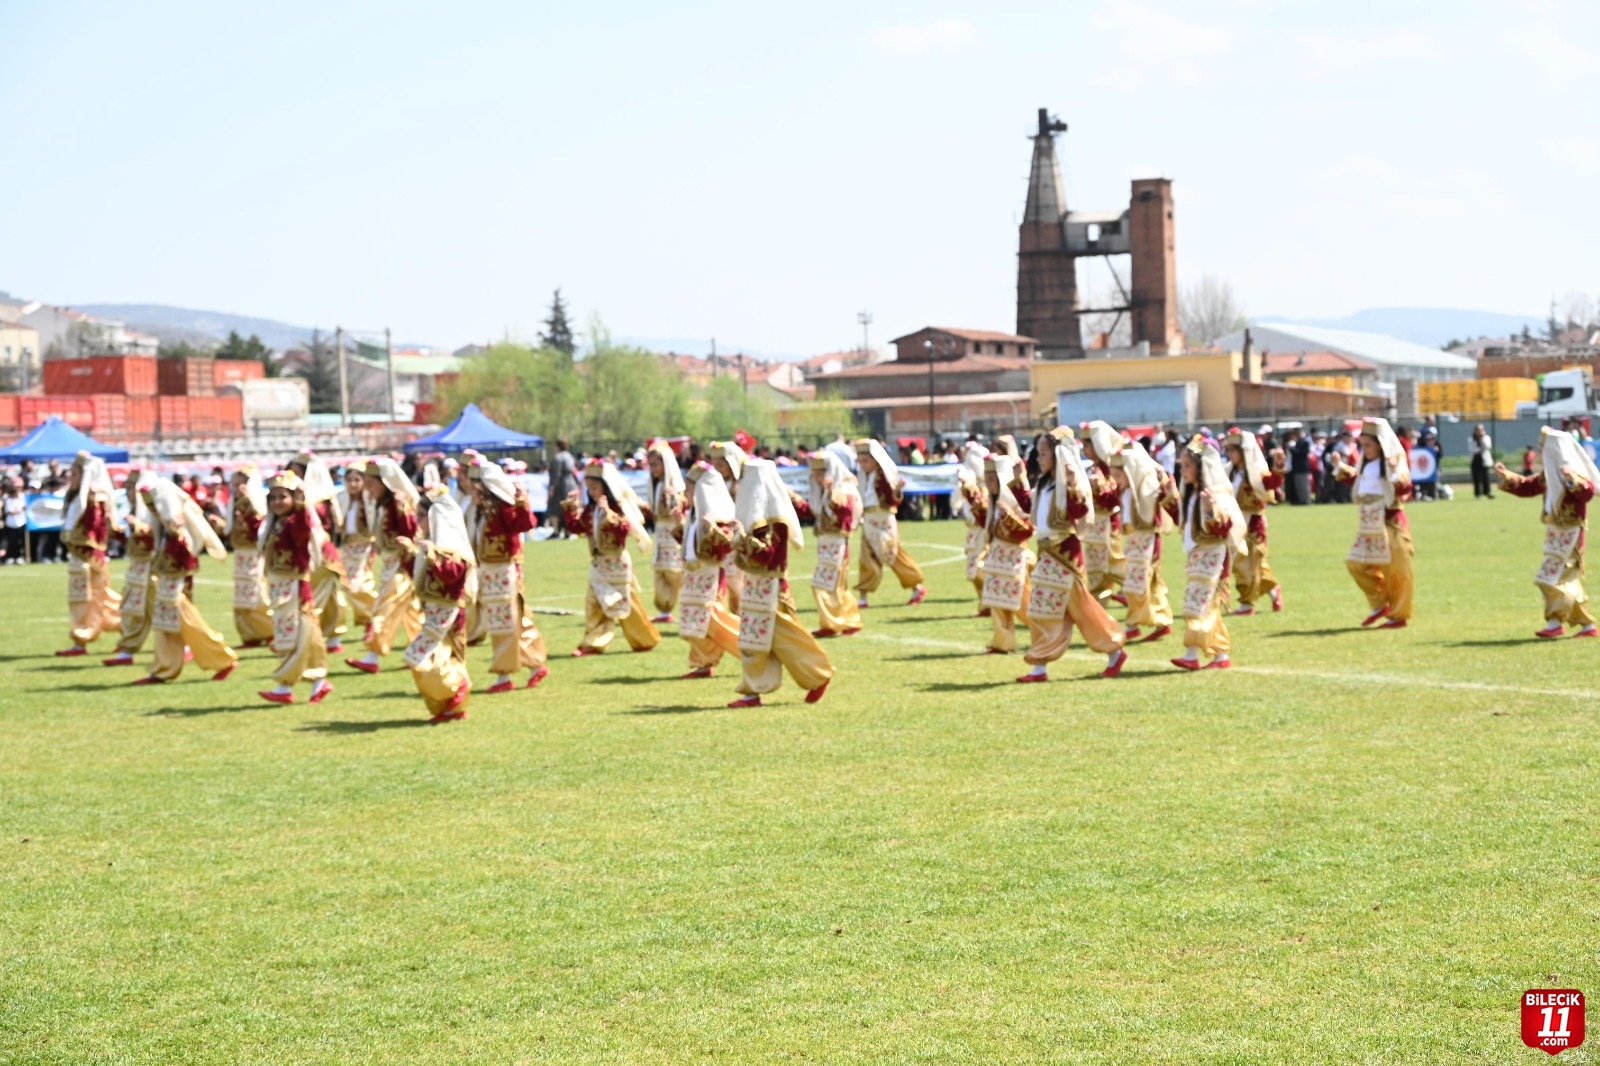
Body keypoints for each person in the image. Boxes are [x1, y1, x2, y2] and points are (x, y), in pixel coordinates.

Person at [1017, 427, 1127, 683]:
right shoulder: (1045, 484)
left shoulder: (1067, 484)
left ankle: (1114, 649)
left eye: (1044, 453)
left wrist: (1074, 484)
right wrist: (1019, 481)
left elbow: (1080, 512)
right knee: (1040, 609)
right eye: (1039, 453)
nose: (1039, 458)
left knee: (1083, 611)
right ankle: (1039, 666)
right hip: (1047, 555)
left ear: (1057, 456)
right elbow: (1029, 509)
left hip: (1065, 556)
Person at [727, 458, 834, 708]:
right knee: (751, 640)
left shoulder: (777, 520)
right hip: (755, 586)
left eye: (746, 481)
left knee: (788, 640)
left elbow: (768, 556)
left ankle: (818, 675)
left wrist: (741, 538)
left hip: (773, 590)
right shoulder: (753, 517)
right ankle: (752, 691)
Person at [1495, 428, 1599, 638]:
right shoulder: (1549, 475)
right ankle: (1581, 624)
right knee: (1564, 579)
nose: (1540, 450)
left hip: (1570, 534)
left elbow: (1587, 492)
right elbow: (1528, 487)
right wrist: (1507, 477)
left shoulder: (1572, 471)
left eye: (1543, 447)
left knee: (1549, 577)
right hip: (1555, 532)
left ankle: (1558, 622)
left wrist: (1572, 480)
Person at [132, 479, 238, 685]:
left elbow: (188, 558)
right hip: (166, 583)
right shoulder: (165, 529)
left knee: (190, 625)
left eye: (155, 506)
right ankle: (163, 668)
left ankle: (222, 658)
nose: (153, 511)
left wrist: (175, 535)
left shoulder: (179, 530)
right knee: (166, 627)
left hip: (177, 586)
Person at [466, 456, 549, 692]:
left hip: (504, 572)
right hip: (488, 574)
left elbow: (524, 524)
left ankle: (506, 675)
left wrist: (522, 501)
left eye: (475, 487)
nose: (471, 491)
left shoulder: (504, 508)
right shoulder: (479, 511)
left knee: (508, 622)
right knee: (503, 623)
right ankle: (531, 665)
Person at [563, 459, 661, 655]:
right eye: (589, 488)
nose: (591, 492)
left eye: (595, 487)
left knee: (627, 604)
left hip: (617, 562)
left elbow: (623, 530)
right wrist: (570, 510)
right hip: (598, 563)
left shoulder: (617, 509)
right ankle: (593, 642)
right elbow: (578, 528)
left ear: (605, 488)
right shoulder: (590, 511)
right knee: (594, 603)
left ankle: (644, 639)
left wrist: (607, 512)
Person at [257, 470, 334, 704]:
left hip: (295, 587)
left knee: (301, 635)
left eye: (283, 496)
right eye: (273, 497)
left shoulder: (294, 521)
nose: (277, 502)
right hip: (280, 587)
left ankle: (286, 685)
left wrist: (301, 507)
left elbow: (303, 532)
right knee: (289, 636)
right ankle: (314, 683)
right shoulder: (276, 523)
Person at [1171, 436, 1247, 670]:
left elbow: (1225, 529)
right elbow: (1184, 524)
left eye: (1187, 466)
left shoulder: (1215, 495)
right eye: (1181, 466)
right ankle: (1220, 656)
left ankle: (1192, 654)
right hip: (1198, 555)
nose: (1182, 471)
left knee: (1199, 606)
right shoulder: (1192, 494)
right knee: (1202, 605)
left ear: (1200, 467)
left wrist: (1210, 511)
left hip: (1214, 557)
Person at [1331, 418, 1414, 629]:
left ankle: (1398, 615)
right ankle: (1380, 602)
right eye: (1363, 445)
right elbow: (1359, 482)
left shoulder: (1393, 463)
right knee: (1356, 563)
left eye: (1368, 445)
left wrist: (1395, 472)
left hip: (1391, 521)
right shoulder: (1366, 464)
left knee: (1396, 570)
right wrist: (1339, 467)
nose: (1364, 450)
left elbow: (1405, 488)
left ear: (1380, 444)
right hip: (1369, 522)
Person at [402, 486, 476, 722]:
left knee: (425, 658)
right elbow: (421, 577)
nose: (418, 520)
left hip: (449, 613)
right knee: (427, 659)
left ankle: (457, 689)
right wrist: (410, 556)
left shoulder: (452, 545)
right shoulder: (431, 542)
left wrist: (433, 555)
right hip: (433, 612)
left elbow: (453, 574)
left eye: (422, 515)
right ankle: (448, 706)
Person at [348, 457, 423, 672]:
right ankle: (421, 652)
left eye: (371, 484)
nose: (368, 489)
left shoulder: (399, 503)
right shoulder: (382, 504)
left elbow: (409, 533)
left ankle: (373, 655)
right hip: (390, 563)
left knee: (385, 607)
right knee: (411, 611)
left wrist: (402, 508)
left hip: (402, 563)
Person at [677, 461, 743, 679]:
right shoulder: (694, 514)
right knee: (696, 623)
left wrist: (712, 529)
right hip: (693, 574)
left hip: (711, 576)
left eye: (689, 489)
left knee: (715, 621)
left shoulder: (719, 515)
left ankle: (749, 646)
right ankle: (702, 662)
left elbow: (727, 546)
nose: (685, 493)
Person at [1108, 440, 1178, 642]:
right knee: (1137, 584)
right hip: (1133, 541)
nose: (1117, 480)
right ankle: (1147, 622)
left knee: (1142, 583)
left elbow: (1164, 498)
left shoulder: (1147, 487)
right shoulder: (1124, 490)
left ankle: (1141, 624)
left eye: (1119, 476)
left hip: (1148, 540)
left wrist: (1164, 482)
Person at [55, 452, 122, 656]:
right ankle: (83, 639)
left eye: (75, 475)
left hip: (90, 559)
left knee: (97, 599)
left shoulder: (94, 499)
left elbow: (94, 532)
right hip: (78, 558)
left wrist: (72, 538)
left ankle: (127, 627)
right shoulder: (77, 497)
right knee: (83, 600)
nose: (71, 479)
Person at [853, 438, 927, 608]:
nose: (863, 465)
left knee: (892, 555)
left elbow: (892, 500)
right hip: (869, 520)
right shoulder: (864, 477)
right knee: (866, 558)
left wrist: (897, 491)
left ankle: (916, 586)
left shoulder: (883, 477)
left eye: (866, 461)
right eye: (860, 461)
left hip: (883, 520)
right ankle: (863, 596)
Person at [288, 450, 350, 652]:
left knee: (317, 595)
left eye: (295, 469)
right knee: (327, 593)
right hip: (316, 548)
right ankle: (332, 637)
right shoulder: (320, 496)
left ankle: (311, 635)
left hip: (318, 550)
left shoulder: (314, 497)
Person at [802, 446, 863, 638]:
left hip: (837, 543)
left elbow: (845, 515)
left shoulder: (844, 489)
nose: (818, 478)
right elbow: (813, 512)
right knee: (834, 585)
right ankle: (847, 620)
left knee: (824, 584)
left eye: (822, 473)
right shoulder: (821, 491)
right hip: (824, 542)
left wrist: (831, 493)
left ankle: (834, 623)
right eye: (815, 474)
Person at [979, 453, 1034, 655]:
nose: (989, 484)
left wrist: (1009, 516)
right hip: (996, 557)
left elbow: (1027, 531)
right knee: (996, 601)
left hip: (1014, 556)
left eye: (992, 480)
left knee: (1022, 602)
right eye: (987, 479)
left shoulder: (1016, 503)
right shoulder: (992, 502)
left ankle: (1044, 633)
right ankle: (1002, 643)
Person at [102, 469, 158, 666]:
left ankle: (184, 647)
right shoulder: (133, 510)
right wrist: (114, 529)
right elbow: (131, 539)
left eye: (130, 487)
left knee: (163, 611)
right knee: (132, 610)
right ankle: (126, 651)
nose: (127, 491)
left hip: (152, 569)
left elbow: (155, 537)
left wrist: (138, 527)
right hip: (137, 568)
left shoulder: (152, 511)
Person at [1226, 428, 1285, 615]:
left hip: (1253, 524)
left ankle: (1248, 603)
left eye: (1233, 450)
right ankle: (1272, 589)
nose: (1230, 454)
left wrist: (1279, 467)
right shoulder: (1230, 472)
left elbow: (1271, 483)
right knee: (1242, 563)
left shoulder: (1255, 472)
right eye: (1229, 450)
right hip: (1235, 523)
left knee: (1252, 563)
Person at [223, 464, 275, 648]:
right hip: (240, 555)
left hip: (254, 554)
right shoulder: (236, 505)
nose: (237, 489)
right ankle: (250, 634)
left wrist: (246, 507)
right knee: (242, 596)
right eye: (234, 485)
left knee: (257, 593)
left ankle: (269, 630)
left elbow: (258, 531)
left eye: (240, 485)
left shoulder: (255, 505)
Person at [1080, 421, 1128, 606]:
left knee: (1114, 564)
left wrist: (1099, 487)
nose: (1084, 449)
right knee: (1095, 571)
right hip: (1093, 527)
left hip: (1108, 525)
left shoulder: (1110, 468)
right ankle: (1097, 612)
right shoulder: (1093, 468)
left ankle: (1136, 589)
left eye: (1087, 445)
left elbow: (1114, 500)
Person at [645, 440, 687, 624]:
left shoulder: (675, 487)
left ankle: (690, 604)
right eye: (650, 464)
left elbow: (680, 509)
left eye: (655, 464)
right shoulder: (656, 484)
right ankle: (664, 610)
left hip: (673, 532)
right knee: (661, 572)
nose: (652, 468)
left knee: (675, 571)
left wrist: (673, 499)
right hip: (660, 532)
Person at [708, 440, 751, 614]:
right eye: (715, 465)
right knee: (724, 579)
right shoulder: (716, 485)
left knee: (735, 580)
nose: (718, 469)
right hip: (721, 540)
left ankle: (739, 616)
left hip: (737, 540)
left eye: (722, 465)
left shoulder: (740, 486)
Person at [335, 464, 379, 632]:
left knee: (359, 584)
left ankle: (375, 613)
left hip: (366, 545)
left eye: (357, 480)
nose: (353, 484)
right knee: (348, 585)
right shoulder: (341, 498)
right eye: (349, 480)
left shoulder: (370, 499)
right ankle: (370, 617)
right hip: (348, 546)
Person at [955, 441, 991, 615]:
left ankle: (989, 602)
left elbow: (982, 511)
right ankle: (984, 603)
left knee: (980, 568)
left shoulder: (987, 487)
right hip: (972, 532)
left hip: (984, 532)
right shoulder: (971, 485)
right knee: (972, 570)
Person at [548, 440, 579, 537]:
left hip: (561, 485)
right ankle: (568, 531)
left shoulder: (558, 458)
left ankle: (556, 531)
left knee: (554, 508)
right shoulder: (570, 456)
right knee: (569, 508)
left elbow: (556, 474)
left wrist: (552, 487)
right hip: (572, 484)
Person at [1, 479, 25, 564]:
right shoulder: (8, 500)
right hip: (11, 524)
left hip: (21, 523)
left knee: (19, 541)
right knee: (11, 542)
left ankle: (18, 557)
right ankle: (10, 557)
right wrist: (20, 510)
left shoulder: (22, 498)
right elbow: (10, 511)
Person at [1470, 424, 1494, 499]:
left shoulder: (1486, 438)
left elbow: (1488, 447)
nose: (1479, 432)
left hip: (1484, 459)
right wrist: (1480, 450)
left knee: (1485, 477)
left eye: (1481, 430)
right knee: (1476, 477)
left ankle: (1487, 492)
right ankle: (1477, 494)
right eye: (1478, 430)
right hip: (1476, 458)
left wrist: (1482, 439)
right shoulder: (1471, 439)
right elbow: (1472, 449)